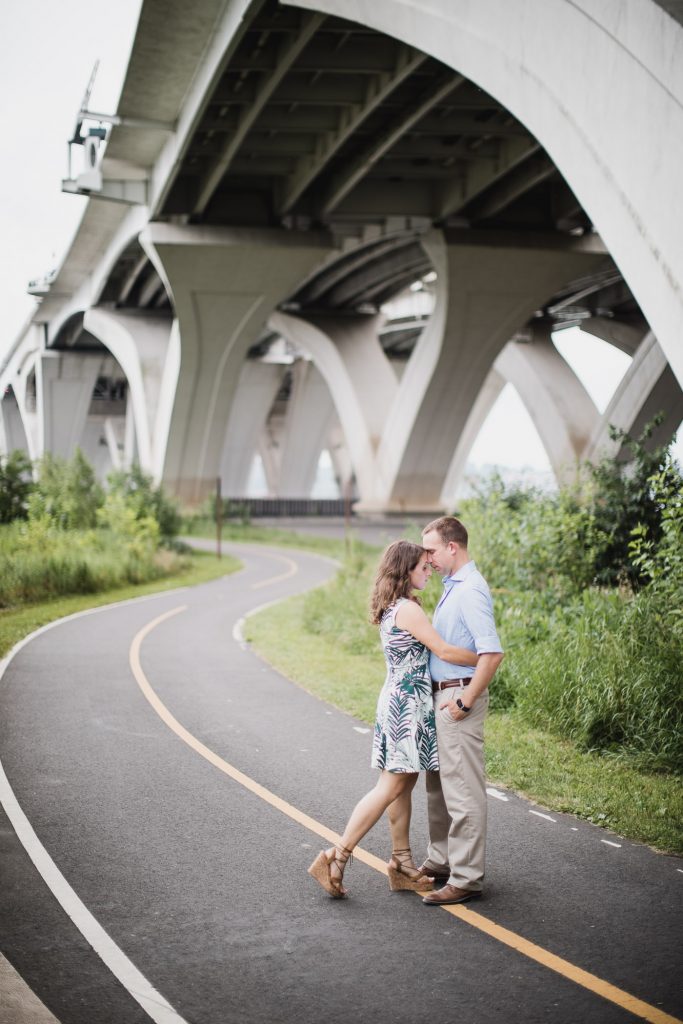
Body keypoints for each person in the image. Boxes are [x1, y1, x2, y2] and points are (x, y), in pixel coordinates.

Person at [308, 540, 478, 899]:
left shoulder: (396, 606)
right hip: (407, 704)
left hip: (400, 700)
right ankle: (336, 856)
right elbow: (444, 650)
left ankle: (401, 862)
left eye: (430, 567)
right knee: (390, 786)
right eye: (422, 567)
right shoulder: (408, 610)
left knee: (402, 784)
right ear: (405, 571)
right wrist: (486, 657)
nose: (428, 572)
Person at [412, 515, 504, 907]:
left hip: (457, 699)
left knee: (462, 789)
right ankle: (443, 860)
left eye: (431, 550)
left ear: (453, 547)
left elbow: (492, 652)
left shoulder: (470, 590)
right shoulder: (453, 586)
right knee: (439, 786)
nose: (427, 558)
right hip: (441, 696)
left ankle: (466, 878)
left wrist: (465, 702)